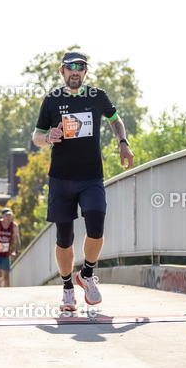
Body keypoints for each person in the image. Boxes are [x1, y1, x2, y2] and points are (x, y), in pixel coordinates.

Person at [31, 51, 134, 312]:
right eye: (70, 67)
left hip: (91, 177)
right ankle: (67, 288)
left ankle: (86, 274)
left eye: (80, 67)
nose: (75, 71)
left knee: (96, 225)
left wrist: (123, 143)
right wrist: (49, 138)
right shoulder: (52, 100)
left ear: (85, 72)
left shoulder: (97, 96)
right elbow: (36, 136)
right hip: (61, 179)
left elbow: (115, 119)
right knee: (64, 238)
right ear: (61, 71)